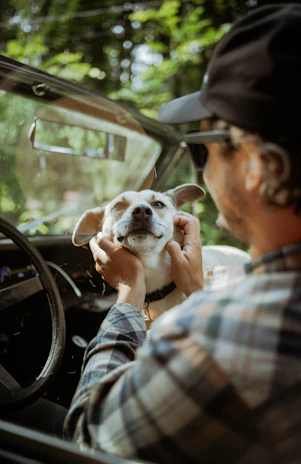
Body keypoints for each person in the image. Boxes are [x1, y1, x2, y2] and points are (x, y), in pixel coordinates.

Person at [64, 4, 301, 463]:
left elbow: (88, 439)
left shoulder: (225, 338)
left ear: (256, 165)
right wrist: (195, 290)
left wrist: (129, 292)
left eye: (202, 149)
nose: (205, 170)